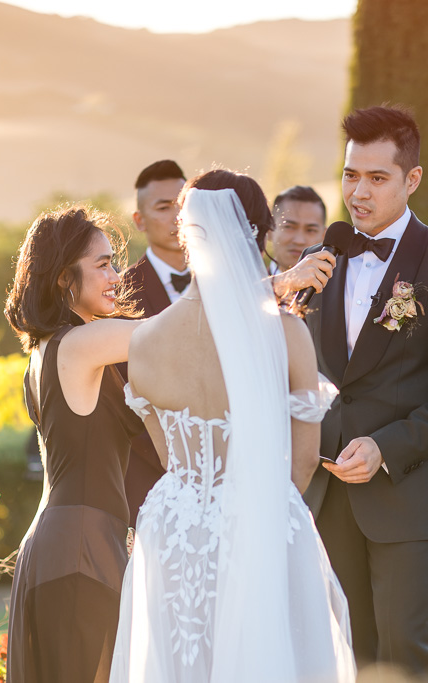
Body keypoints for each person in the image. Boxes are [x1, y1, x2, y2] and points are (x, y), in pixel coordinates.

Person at [110, 170, 355, 682]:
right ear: (259, 234)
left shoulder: (146, 340)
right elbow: (304, 459)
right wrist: (264, 517)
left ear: (186, 233)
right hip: (262, 516)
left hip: (172, 528)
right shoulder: (284, 330)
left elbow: (164, 454)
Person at [301, 105, 428, 680]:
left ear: (412, 180)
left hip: (411, 490)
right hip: (330, 491)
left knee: (405, 648)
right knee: (351, 650)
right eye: (349, 175)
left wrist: (388, 446)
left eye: (376, 178)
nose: (358, 192)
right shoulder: (323, 262)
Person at [3, 205, 145, 683]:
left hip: (64, 544)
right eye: (102, 265)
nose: (116, 276)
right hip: (80, 550)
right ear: (65, 279)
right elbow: (173, 335)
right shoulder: (81, 345)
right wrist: (273, 285)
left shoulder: (49, 351)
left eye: (114, 262)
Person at [121, 160, 187, 524]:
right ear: (140, 220)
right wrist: (182, 458)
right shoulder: (120, 296)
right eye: (164, 207)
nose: (177, 216)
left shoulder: (227, 284)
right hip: (150, 481)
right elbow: (123, 397)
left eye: (182, 205)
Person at [267, 185, 327, 276]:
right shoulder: (250, 286)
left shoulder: (342, 287)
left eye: (310, 230)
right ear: (270, 229)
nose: (299, 241)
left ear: (324, 236)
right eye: (289, 227)